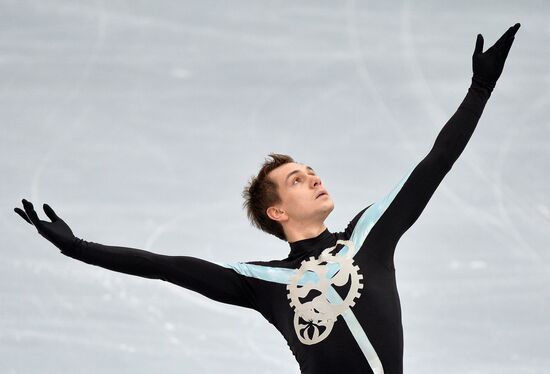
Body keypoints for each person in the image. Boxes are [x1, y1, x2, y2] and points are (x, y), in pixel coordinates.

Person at [15, 23, 521, 374]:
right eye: (298, 179)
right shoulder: (261, 281)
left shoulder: (369, 235)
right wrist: (76, 247)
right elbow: (161, 264)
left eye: (311, 171)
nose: (314, 178)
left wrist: (479, 89)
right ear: (276, 211)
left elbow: (434, 163)